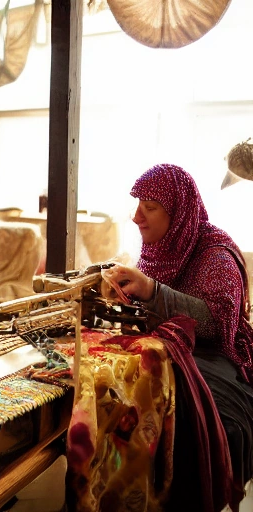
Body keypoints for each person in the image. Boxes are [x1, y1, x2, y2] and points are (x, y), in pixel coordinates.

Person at [104, 163, 253, 512]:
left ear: (180, 214)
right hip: (176, 350)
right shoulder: (164, 249)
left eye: (150, 208)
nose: (138, 217)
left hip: (219, 358)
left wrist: (153, 291)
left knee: (187, 419)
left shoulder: (216, 256)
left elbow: (219, 324)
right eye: (138, 205)